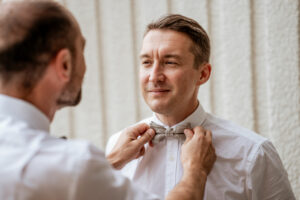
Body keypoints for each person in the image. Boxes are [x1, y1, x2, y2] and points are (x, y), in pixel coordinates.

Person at [0, 1, 216, 200]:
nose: (154, 75)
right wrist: (196, 171)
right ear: (65, 64)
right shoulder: (72, 164)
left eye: (170, 62)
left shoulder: (247, 152)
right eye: (82, 50)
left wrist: (109, 162)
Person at [106, 14, 296, 199]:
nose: (154, 76)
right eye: (147, 62)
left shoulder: (252, 153)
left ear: (203, 74)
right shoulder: (116, 150)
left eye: (170, 62)